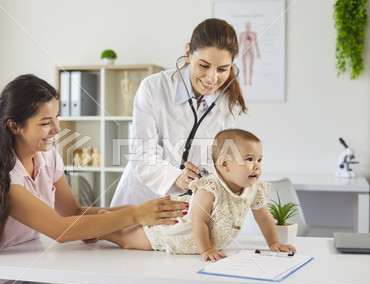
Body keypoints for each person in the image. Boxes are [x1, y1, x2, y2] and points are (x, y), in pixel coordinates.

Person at [0, 74, 187, 284]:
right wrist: (133, 215)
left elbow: (71, 212)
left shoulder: (48, 157)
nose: (57, 129)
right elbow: (61, 230)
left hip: (20, 276)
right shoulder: (2, 176)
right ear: (14, 126)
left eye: (56, 118)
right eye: (45, 122)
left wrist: (133, 211)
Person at [111, 18, 247, 207]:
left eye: (222, 69)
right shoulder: (154, 87)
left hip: (192, 207)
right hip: (142, 200)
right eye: (204, 66)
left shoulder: (228, 104)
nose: (212, 77)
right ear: (188, 53)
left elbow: (218, 159)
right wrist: (176, 178)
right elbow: (143, 155)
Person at [102, 129, 296, 261]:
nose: (257, 166)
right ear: (225, 164)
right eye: (249, 159)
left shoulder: (253, 190)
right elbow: (199, 221)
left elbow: (264, 217)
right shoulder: (209, 188)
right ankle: (102, 229)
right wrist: (206, 249)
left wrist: (274, 242)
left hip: (203, 240)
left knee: (136, 227)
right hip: (178, 231)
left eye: (259, 160)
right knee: (129, 241)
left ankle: (107, 217)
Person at [238, 21, 260, 85]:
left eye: (248, 26)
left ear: (250, 26)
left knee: (251, 67)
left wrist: (258, 52)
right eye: (247, 26)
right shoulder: (242, 34)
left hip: (251, 51)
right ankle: (245, 81)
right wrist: (237, 52)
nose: (248, 27)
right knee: (244, 66)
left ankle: (250, 81)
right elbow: (240, 43)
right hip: (244, 51)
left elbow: (256, 43)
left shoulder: (253, 34)